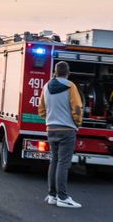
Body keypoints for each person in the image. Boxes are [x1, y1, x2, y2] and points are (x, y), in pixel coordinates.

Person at [39, 61, 83, 208]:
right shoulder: (71, 86)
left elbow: (41, 109)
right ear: (68, 72)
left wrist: (49, 119)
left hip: (51, 129)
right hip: (67, 130)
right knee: (63, 163)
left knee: (55, 161)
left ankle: (52, 195)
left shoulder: (46, 86)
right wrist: (77, 123)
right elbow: (77, 108)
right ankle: (63, 197)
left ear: (55, 72)